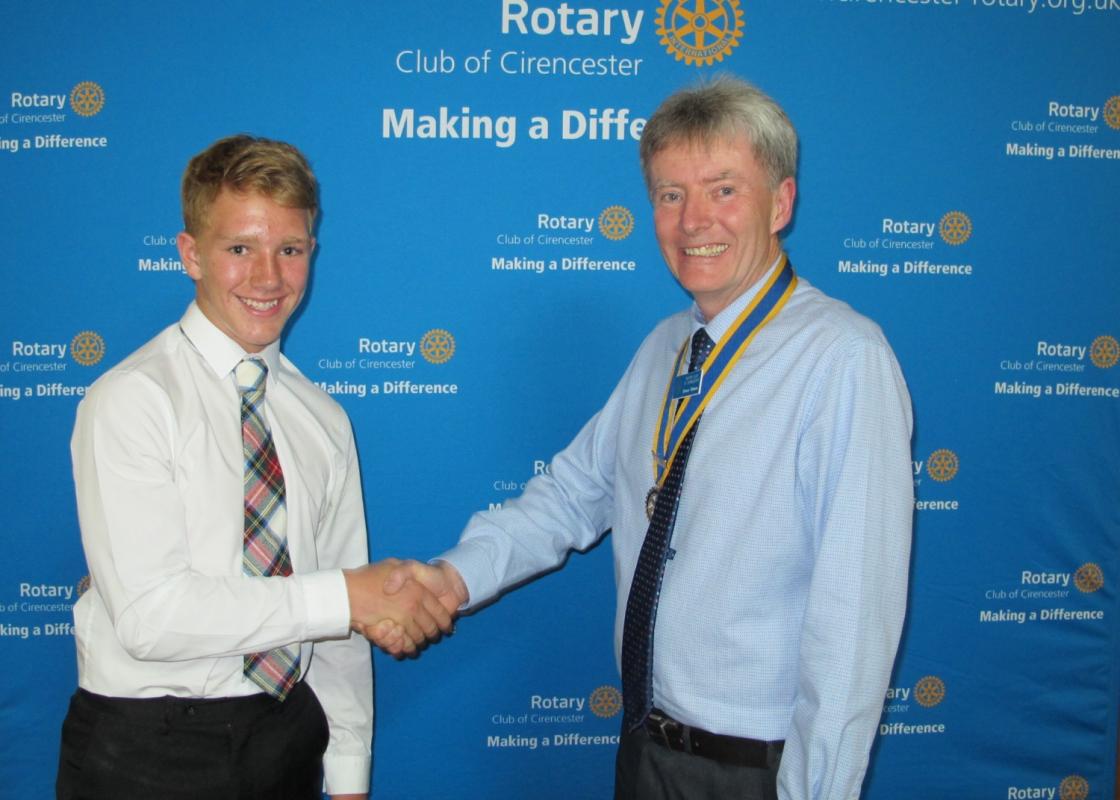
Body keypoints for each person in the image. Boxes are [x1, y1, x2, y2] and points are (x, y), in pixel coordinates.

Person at [384, 77, 914, 799]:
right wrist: (452, 578)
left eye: (723, 189)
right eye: (670, 195)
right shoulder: (667, 348)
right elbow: (571, 495)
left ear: (781, 203)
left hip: (758, 771)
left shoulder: (844, 358)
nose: (694, 220)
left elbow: (854, 622)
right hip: (645, 748)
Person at [56, 134, 452, 800]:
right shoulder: (132, 399)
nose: (268, 278)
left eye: (289, 250)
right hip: (145, 749)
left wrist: (348, 770)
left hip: (287, 735)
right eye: (240, 249)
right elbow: (151, 617)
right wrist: (347, 596)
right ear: (190, 254)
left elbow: (340, 623)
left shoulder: (322, 418)